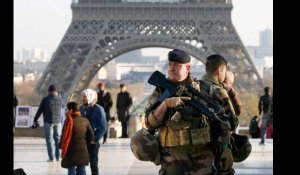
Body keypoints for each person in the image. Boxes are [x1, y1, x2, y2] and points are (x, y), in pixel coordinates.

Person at [144, 49, 223, 175]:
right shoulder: (161, 90)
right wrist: (165, 104)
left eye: (177, 65)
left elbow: (222, 121)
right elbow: (150, 123)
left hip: (202, 155)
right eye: (170, 64)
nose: (171, 68)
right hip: (172, 158)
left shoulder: (204, 88)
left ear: (187, 68)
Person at [201, 54, 234, 174]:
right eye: (224, 71)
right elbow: (232, 122)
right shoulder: (219, 91)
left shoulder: (192, 87)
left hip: (196, 153)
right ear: (220, 70)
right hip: (217, 150)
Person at [33, 84, 65, 162]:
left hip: (48, 122)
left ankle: (51, 158)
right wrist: (59, 97)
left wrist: (35, 119)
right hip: (58, 122)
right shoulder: (60, 99)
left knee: (49, 140)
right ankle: (58, 157)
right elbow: (63, 106)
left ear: (49, 91)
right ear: (56, 91)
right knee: (57, 139)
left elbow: (40, 110)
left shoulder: (45, 99)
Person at [60, 102, 94, 175]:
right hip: (82, 149)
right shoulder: (85, 120)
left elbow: (63, 136)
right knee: (81, 169)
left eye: (67, 109)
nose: (67, 111)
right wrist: (85, 143)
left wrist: (61, 146)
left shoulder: (68, 121)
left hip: (70, 150)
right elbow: (91, 135)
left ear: (71, 110)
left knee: (71, 169)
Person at [80, 89, 107, 175]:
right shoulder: (81, 108)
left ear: (90, 97)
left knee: (93, 164)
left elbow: (103, 127)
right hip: (82, 141)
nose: (83, 98)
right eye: (82, 96)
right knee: (80, 164)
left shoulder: (99, 109)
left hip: (92, 141)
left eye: (85, 96)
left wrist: (94, 140)